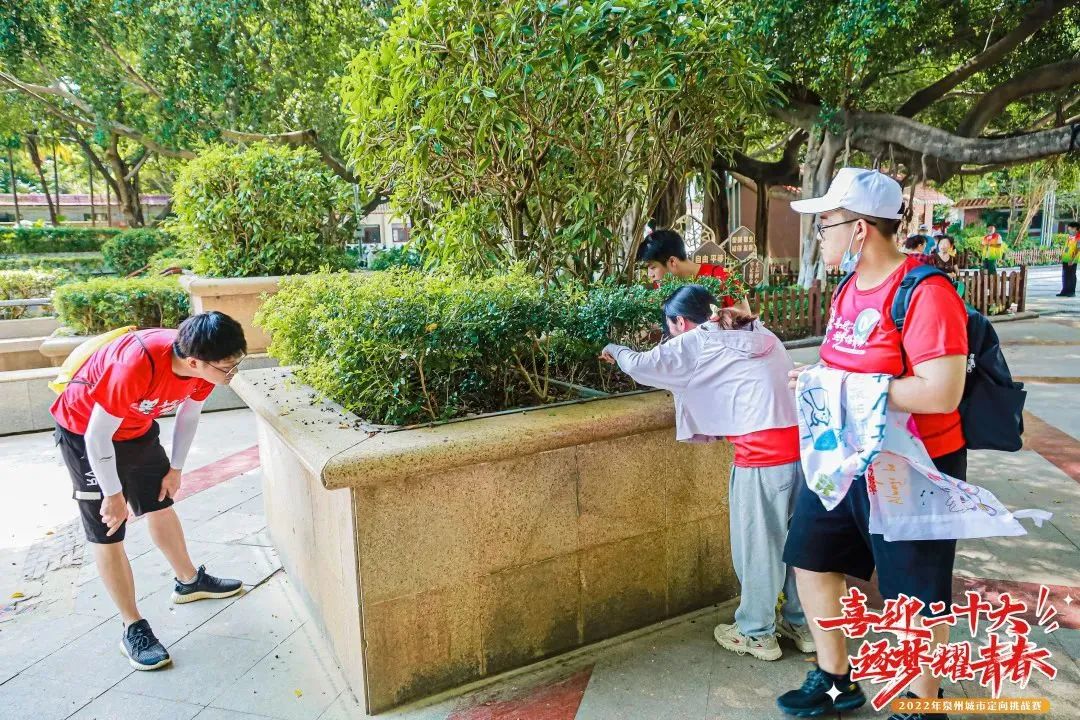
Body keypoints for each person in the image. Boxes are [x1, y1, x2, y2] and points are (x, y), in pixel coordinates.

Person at [779, 168, 969, 720]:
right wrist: (817, 377)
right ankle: (837, 682)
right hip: (842, 459)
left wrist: (842, 385)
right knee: (812, 560)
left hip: (911, 464)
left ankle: (921, 701)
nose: (821, 236)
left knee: (912, 590)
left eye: (825, 225)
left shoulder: (926, 293)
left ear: (859, 228)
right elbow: (848, 366)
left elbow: (941, 392)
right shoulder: (847, 288)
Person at [600, 286, 814, 663]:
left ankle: (756, 632)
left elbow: (643, 365)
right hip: (800, 452)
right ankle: (801, 624)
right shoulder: (756, 330)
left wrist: (615, 350)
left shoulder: (698, 340)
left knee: (758, 548)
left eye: (671, 329)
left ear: (680, 321)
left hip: (760, 458)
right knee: (797, 545)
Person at [51, 311, 249, 671]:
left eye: (238, 362)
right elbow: (98, 436)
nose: (233, 373)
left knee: (160, 502)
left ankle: (190, 582)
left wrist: (175, 468)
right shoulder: (136, 365)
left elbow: (188, 416)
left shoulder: (203, 364)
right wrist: (112, 493)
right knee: (109, 529)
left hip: (136, 429)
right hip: (84, 433)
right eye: (227, 367)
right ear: (193, 361)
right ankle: (132, 626)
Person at [635, 229, 750, 311]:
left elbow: (745, 314)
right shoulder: (661, 288)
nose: (650, 275)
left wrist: (717, 314)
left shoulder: (722, 276)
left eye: (653, 267)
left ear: (672, 262)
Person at [1058, 221, 1078, 297]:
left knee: (1071, 275)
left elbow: (1077, 250)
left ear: (1076, 229)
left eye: (1070, 228)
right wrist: (1062, 256)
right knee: (1065, 275)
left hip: (1073, 260)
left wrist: (1072, 260)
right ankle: (1064, 290)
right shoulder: (1069, 237)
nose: (1068, 229)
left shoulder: (1078, 238)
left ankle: (1072, 292)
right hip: (1066, 259)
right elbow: (1066, 248)